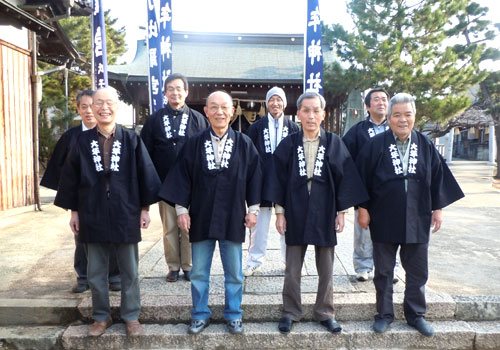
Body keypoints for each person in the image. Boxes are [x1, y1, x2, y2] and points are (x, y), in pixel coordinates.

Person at [54, 87, 161, 337]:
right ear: (91, 106)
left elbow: (145, 174)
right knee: (95, 271)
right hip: (92, 211)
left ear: (117, 106)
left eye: (109, 102)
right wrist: (74, 212)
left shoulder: (132, 139)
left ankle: (131, 316)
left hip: (126, 211)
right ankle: (101, 317)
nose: (103, 107)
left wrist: (144, 209)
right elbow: (71, 178)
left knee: (130, 270)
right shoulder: (81, 141)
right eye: (98, 103)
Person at [355, 93, 464, 337]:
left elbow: (437, 178)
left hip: (418, 215)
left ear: (414, 116)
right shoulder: (375, 145)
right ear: (389, 118)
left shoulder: (425, 144)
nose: (402, 120)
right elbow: (362, 178)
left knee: (417, 270)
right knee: (383, 270)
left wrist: (438, 208)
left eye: (407, 114)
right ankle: (383, 314)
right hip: (383, 215)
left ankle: (416, 314)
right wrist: (363, 208)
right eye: (397, 115)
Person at [158, 91, 262, 335]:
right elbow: (181, 177)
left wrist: (253, 209)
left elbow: (255, 177)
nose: (219, 112)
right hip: (202, 215)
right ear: (206, 111)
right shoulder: (194, 143)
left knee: (235, 272)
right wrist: (182, 209)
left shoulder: (244, 143)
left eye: (224, 107)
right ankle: (199, 314)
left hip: (232, 215)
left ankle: (234, 314)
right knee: (199, 272)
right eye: (213, 107)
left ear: (233, 110)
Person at [267, 91, 369, 335]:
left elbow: (345, 177)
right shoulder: (289, 144)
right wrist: (280, 213)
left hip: (325, 209)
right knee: (292, 266)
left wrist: (342, 212)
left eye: (316, 111)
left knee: (326, 266)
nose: (311, 116)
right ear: (298, 114)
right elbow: (277, 179)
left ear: (323, 114)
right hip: (296, 208)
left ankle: (325, 311)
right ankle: (291, 311)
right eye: (306, 110)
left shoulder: (334, 142)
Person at [40, 89, 121, 293]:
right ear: (79, 109)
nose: (88, 111)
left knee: (114, 237)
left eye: (90, 106)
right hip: (83, 199)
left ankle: (114, 276)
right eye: (83, 107)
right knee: (82, 238)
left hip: (112, 198)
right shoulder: (72, 137)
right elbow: (62, 172)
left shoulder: (117, 136)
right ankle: (83, 277)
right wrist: (71, 202)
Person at [141, 73, 209, 283]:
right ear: (165, 93)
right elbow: (145, 153)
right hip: (165, 184)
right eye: (170, 88)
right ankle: (173, 266)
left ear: (186, 92)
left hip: (192, 184)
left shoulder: (199, 119)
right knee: (169, 227)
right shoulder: (154, 120)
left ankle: (189, 265)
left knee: (189, 225)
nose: (175, 92)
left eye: (179, 88)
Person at [244, 87, 299, 277]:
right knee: (259, 224)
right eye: (271, 100)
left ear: (284, 103)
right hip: (263, 181)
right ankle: (253, 261)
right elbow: (249, 156)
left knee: (288, 224)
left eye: (279, 99)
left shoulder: (294, 128)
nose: (275, 103)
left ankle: (289, 262)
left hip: (287, 182)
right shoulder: (256, 128)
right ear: (266, 103)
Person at [342, 87, 390, 282]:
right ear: (368, 106)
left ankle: (389, 267)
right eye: (376, 99)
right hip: (366, 190)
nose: (381, 103)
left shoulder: (395, 127)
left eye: (384, 99)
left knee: (390, 231)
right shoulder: (358, 131)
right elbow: (344, 157)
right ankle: (363, 266)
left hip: (390, 191)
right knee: (363, 230)